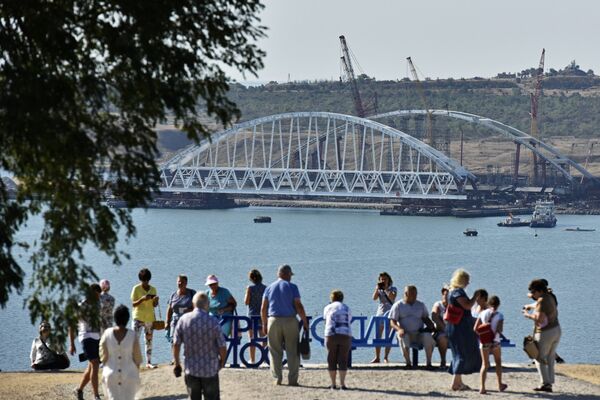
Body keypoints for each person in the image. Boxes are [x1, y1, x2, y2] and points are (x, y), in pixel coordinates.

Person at [261, 264, 309, 386]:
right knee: (293, 351)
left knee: (274, 351)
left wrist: (264, 324)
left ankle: (277, 378)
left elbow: (263, 308)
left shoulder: (269, 288)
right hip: (290, 320)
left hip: (273, 320)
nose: (291, 278)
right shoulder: (292, 287)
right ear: (287, 274)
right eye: (290, 275)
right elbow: (298, 305)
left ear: (278, 274)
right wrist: (304, 321)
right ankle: (292, 380)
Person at [173, 292, 227, 400]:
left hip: (191, 369)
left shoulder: (183, 320)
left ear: (193, 304)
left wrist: (177, 363)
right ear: (207, 305)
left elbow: (176, 344)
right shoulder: (214, 322)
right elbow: (222, 346)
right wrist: (222, 361)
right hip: (210, 369)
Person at [445, 268, 482, 391]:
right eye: (467, 280)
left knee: (459, 353)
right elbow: (467, 305)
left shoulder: (453, 291)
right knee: (461, 354)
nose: (468, 283)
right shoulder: (457, 292)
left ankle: (458, 382)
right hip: (458, 327)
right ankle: (456, 383)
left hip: (457, 326)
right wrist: (475, 296)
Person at [523, 279, 561, 393]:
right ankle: (550, 382)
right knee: (550, 357)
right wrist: (530, 305)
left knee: (539, 357)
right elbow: (538, 303)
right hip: (556, 330)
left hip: (545, 332)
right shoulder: (550, 296)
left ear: (539, 291)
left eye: (534, 292)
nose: (533, 295)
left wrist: (527, 315)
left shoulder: (541, 301)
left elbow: (539, 318)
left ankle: (545, 384)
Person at [100, 305, 142, 400]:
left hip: (111, 374)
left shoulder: (107, 333)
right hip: (130, 374)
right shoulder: (132, 335)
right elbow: (137, 359)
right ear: (127, 319)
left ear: (114, 318)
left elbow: (103, 358)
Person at [388, 285, 436, 369]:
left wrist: (431, 326)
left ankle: (428, 363)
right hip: (405, 333)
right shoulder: (398, 305)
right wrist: (399, 329)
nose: (414, 296)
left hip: (419, 333)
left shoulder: (420, 305)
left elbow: (425, 318)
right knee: (403, 337)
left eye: (415, 294)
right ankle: (408, 363)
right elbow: (392, 322)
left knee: (428, 337)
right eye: (412, 294)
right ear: (406, 294)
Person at [69, 283, 102, 400]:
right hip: (85, 336)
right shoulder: (81, 305)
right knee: (95, 363)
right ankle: (96, 396)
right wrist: (72, 344)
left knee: (91, 366)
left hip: (97, 337)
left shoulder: (98, 304)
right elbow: (71, 324)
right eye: (97, 295)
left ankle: (79, 390)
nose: (99, 297)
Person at [474, 295, 507, 394]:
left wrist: (483, 336)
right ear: (499, 304)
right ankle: (500, 384)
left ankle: (482, 387)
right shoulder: (500, 315)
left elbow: (475, 329)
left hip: (484, 342)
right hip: (495, 341)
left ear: (488, 303)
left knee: (484, 364)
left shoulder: (482, 313)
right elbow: (499, 330)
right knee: (498, 362)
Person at [130, 267, 159, 369]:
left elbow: (155, 305)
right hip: (138, 318)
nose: (145, 282)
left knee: (149, 341)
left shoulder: (153, 289)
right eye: (143, 280)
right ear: (140, 279)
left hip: (149, 318)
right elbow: (133, 304)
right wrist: (142, 299)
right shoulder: (136, 289)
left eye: (147, 280)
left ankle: (149, 362)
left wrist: (155, 300)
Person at [323, 290, 352, 390]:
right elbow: (349, 320)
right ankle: (343, 384)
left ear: (332, 298)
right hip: (345, 334)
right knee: (343, 359)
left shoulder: (327, 307)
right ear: (342, 298)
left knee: (331, 359)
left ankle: (333, 384)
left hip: (331, 334)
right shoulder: (346, 307)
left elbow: (325, 320)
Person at [371, 272, 397, 363]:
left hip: (390, 313)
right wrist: (377, 289)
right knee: (378, 335)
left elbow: (392, 297)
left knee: (388, 336)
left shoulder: (393, 289)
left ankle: (386, 357)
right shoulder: (379, 289)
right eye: (381, 279)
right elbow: (374, 298)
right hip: (380, 313)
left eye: (385, 279)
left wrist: (386, 288)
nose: (383, 281)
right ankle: (377, 357)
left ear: (389, 280)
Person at [165, 275, 196, 350]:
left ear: (186, 283)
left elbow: (197, 308)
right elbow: (169, 309)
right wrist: (167, 322)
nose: (180, 283)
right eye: (178, 281)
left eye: (182, 282)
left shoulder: (192, 293)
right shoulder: (173, 295)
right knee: (174, 341)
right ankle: (175, 359)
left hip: (188, 320)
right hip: (175, 320)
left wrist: (188, 310)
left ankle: (188, 358)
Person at [244, 269, 266, 363]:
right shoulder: (266, 288)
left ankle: (252, 360)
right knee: (263, 338)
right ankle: (264, 358)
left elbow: (246, 302)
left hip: (252, 315)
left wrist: (247, 292)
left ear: (252, 278)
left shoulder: (250, 288)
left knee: (252, 338)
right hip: (262, 315)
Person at [431, 285, 449, 368]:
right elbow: (434, 317)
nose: (446, 296)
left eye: (448, 294)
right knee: (442, 338)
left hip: (453, 331)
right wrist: (445, 328)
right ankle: (443, 361)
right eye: (445, 294)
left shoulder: (454, 306)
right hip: (440, 331)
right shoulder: (438, 305)